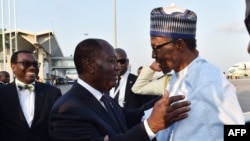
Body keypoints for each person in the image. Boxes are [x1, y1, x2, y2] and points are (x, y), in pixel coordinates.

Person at [48, 38, 191, 141]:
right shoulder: (67, 111)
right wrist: (151, 126)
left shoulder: (104, 99)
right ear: (90, 66)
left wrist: (168, 96)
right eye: (111, 61)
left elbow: (131, 116)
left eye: (118, 62)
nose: (117, 67)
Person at [147, 5, 245, 141]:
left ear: (179, 45)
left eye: (156, 47)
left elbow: (239, 131)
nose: (153, 54)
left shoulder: (210, 80)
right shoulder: (176, 77)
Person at [0, 50, 62, 141]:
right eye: (26, 63)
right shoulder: (2, 93)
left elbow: (59, 125)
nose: (32, 67)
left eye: (35, 64)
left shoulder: (53, 93)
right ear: (13, 67)